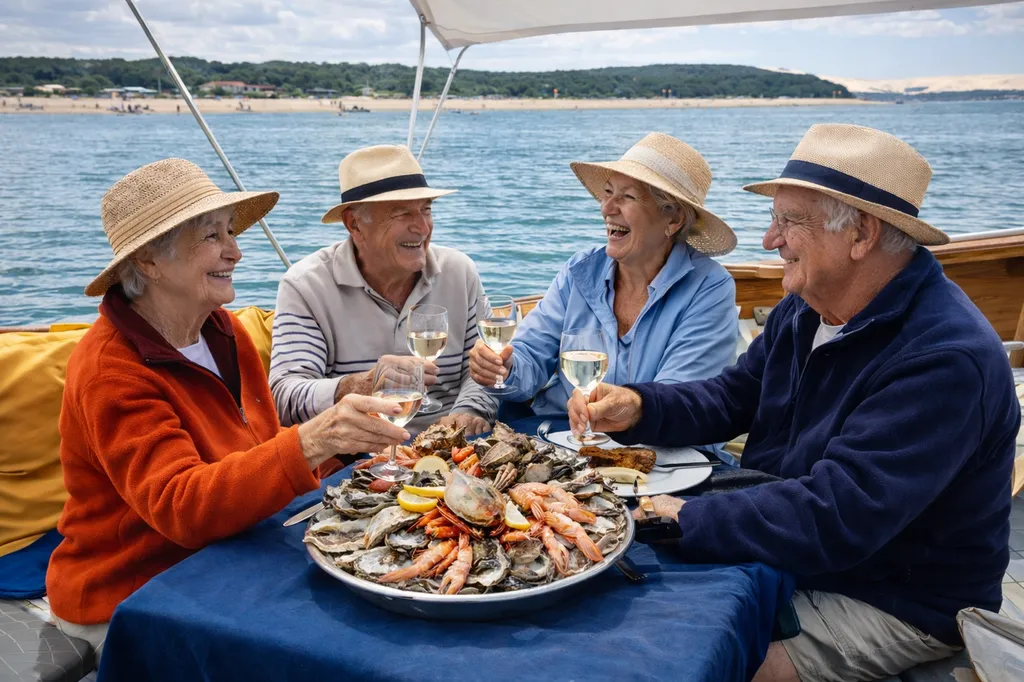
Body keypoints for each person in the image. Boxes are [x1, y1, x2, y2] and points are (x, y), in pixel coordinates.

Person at [569, 124, 1021, 682]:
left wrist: (688, 515)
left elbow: (840, 514)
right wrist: (639, 406)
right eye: (774, 219)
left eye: (789, 222)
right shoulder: (808, 306)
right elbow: (733, 396)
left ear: (861, 234)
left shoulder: (945, 358)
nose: (769, 240)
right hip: (790, 535)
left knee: (700, 656)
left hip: (894, 595)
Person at [46, 159, 409, 661]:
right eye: (211, 237)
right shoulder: (112, 370)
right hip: (132, 590)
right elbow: (183, 508)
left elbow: (254, 449)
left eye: (231, 232)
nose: (235, 251)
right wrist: (311, 440)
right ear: (150, 261)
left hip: (226, 553)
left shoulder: (222, 330)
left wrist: (359, 465)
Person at [469, 133, 738, 449]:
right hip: (561, 439)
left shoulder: (708, 288)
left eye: (627, 197)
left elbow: (676, 402)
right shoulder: (581, 270)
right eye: (607, 193)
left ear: (673, 218)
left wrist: (629, 411)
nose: (607, 208)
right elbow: (531, 354)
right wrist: (504, 368)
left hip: (659, 456)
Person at [270, 145, 497, 435]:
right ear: (354, 224)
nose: (422, 227)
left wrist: (470, 411)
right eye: (401, 213)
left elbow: (486, 369)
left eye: (426, 210)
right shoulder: (306, 285)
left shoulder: (460, 271)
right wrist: (360, 384)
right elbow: (283, 398)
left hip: (453, 447)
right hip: (357, 457)